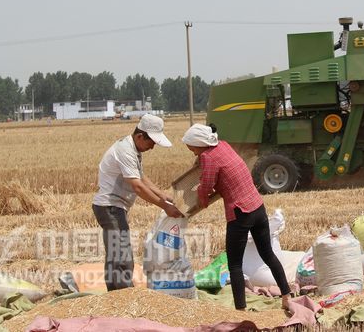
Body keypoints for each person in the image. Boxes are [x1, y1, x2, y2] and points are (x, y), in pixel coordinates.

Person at [183, 123, 290, 312]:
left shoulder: (208, 156)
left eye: (191, 148)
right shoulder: (223, 145)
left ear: (199, 143)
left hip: (240, 212)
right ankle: (286, 297)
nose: (192, 152)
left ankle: (240, 310)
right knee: (268, 254)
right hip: (258, 207)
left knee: (234, 265)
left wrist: (200, 198)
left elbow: (206, 187)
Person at [92, 114, 183, 291]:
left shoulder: (133, 149)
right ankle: (126, 296)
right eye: (152, 142)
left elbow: (140, 177)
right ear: (140, 136)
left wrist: (165, 196)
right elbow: (138, 187)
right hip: (110, 206)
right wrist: (166, 207)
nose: (153, 147)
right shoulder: (125, 150)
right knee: (122, 253)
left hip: (113, 206)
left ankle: (115, 296)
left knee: (114, 253)